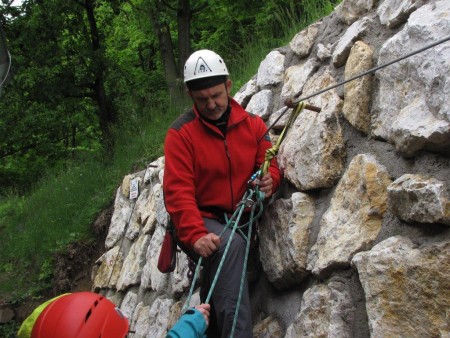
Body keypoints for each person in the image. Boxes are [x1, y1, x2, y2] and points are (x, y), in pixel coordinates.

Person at [163, 49, 282, 337]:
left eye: (217, 95)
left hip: (237, 216)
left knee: (227, 250)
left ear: (229, 86)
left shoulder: (251, 125)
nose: (212, 104)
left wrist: (270, 181)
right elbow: (178, 192)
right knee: (230, 245)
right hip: (201, 219)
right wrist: (194, 234)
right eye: (202, 99)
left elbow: (268, 163)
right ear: (191, 96)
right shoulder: (181, 134)